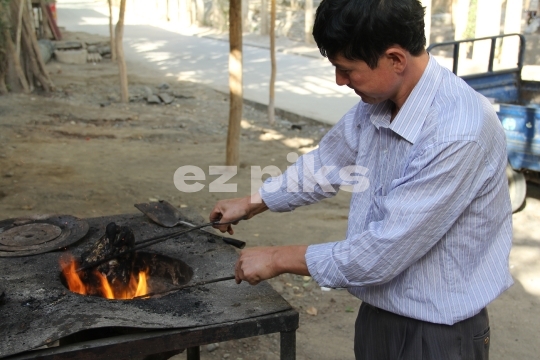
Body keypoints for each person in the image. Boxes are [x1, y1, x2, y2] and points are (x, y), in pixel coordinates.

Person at [210, 0, 513, 358]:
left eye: (346, 69)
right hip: (379, 314)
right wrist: (252, 202)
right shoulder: (378, 103)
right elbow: (326, 163)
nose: (340, 80)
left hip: (437, 334)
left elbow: (384, 250)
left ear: (396, 59)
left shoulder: (458, 132)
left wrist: (277, 258)